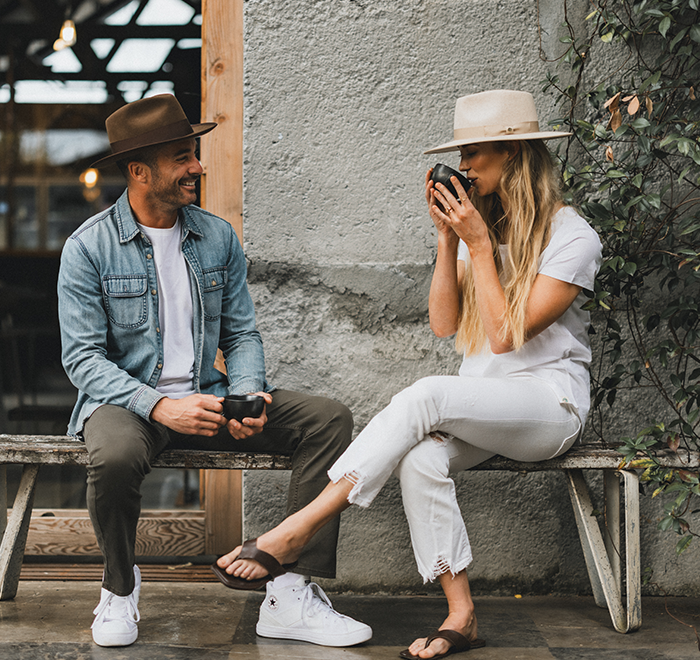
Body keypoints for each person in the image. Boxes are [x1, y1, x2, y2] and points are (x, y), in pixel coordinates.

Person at [213, 89, 603, 659]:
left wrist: (478, 243)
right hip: (485, 404)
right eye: (462, 155)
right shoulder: (481, 232)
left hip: (549, 408)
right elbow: (445, 324)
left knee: (425, 396)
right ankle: (461, 615)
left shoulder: (573, 237)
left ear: (514, 157)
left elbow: (503, 336)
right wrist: (450, 240)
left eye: (474, 153)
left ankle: (299, 528)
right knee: (421, 459)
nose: (464, 167)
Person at [57, 93, 372, 649]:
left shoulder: (216, 237)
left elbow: (242, 334)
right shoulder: (88, 248)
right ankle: (119, 588)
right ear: (139, 171)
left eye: (193, 155)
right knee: (113, 455)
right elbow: (83, 359)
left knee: (329, 420)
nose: (197, 168)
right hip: (130, 405)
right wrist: (159, 405)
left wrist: (249, 393)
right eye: (183, 157)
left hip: (211, 396)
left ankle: (290, 593)